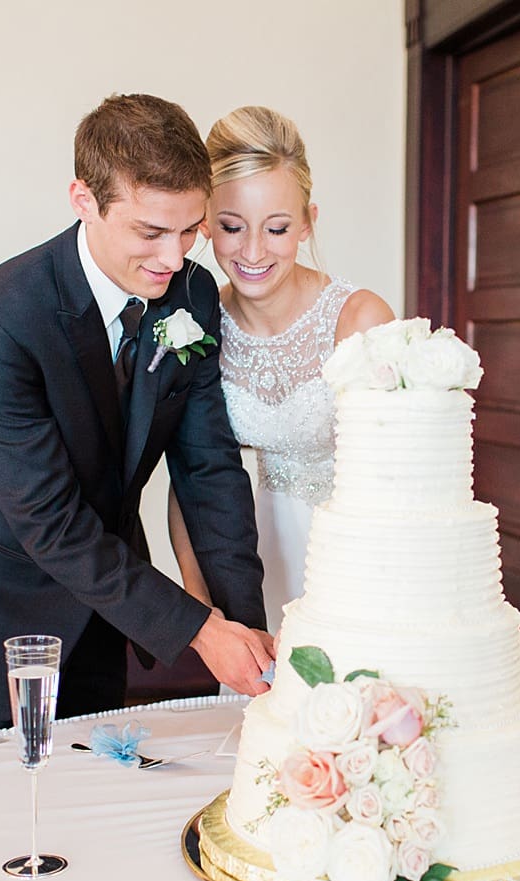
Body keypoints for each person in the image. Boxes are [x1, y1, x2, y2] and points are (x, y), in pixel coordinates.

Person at [0, 94, 274, 737]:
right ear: (84, 200)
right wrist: (200, 629)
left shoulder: (190, 296)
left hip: (108, 603)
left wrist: (246, 630)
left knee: (94, 791)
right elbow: (50, 521)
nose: (173, 256)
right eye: (150, 232)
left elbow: (208, 466)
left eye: (191, 230)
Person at [167, 106, 395, 647]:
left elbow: (401, 480)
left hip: (359, 570)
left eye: (276, 228)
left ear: (308, 221)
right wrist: (204, 612)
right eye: (230, 227)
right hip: (249, 570)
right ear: (204, 223)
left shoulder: (360, 320)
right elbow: (190, 478)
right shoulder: (200, 327)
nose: (252, 251)